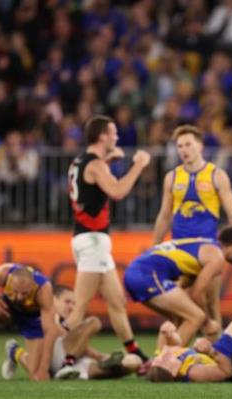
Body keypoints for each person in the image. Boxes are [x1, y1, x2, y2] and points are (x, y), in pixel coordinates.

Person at [65, 115, 151, 364]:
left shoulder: (81, 161)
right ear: (102, 136)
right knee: (80, 307)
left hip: (86, 237)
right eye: (113, 132)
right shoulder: (96, 165)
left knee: (116, 302)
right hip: (93, 240)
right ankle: (57, 354)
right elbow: (117, 191)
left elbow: (91, 184)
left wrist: (106, 161)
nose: (116, 137)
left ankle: (135, 352)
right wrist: (138, 165)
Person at [152, 124, 232, 272]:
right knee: (184, 294)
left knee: (210, 295)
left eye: (188, 144)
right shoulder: (171, 177)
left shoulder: (217, 175)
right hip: (180, 247)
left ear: (200, 146)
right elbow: (164, 216)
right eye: (179, 146)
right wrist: (154, 248)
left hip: (208, 246)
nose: (183, 149)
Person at [124, 226, 232, 345]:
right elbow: (197, 293)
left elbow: (183, 288)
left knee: (179, 317)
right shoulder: (216, 256)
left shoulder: (204, 246)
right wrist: (207, 322)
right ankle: (168, 361)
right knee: (196, 317)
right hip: (146, 274)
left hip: (136, 271)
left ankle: (159, 359)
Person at [1, 285, 142, 380]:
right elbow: (53, 335)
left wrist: (101, 357)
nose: (71, 307)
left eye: (74, 304)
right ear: (53, 299)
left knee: (133, 363)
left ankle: (67, 368)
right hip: (51, 357)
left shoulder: (65, 325)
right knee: (93, 322)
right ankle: (16, 351)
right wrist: (99, 355)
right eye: (67, 301)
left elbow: (78, 346)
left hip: (70, 364)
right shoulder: (44, 313)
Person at [0, 263, 60, 381]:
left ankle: (15, 351)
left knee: (38, 377)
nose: (19, 297)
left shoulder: (43, 289)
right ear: (11, 280)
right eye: (15, 291)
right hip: (7, 311)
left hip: (31, 320)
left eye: (25, 293)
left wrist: (43, 368)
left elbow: (50, 331)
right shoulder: (4, 273)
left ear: (33, 285)